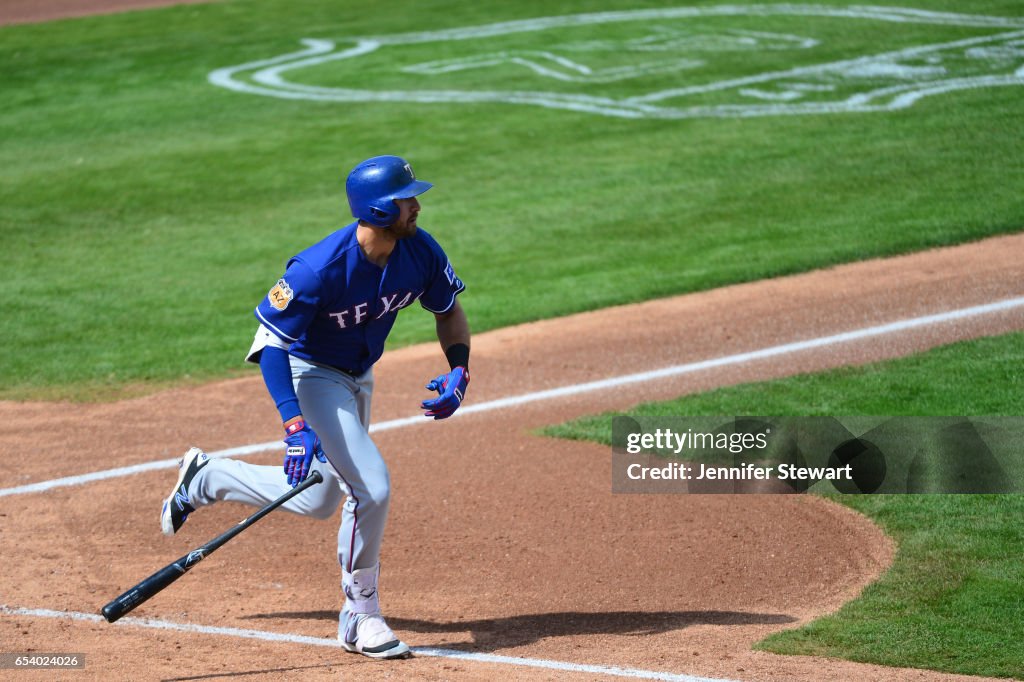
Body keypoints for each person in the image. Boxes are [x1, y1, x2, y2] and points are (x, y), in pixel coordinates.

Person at [159, 155, 471, 659]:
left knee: (322, 497)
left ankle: (206, 477)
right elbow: (269, 345)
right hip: (311, 375)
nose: (416, 206)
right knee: (371, 488)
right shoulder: (316, 269)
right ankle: (360, 616)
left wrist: (460, 368)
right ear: (376, 210)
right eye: (406, 199)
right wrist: (294, 423)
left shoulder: (420, 252)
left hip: (358, 376)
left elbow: (448, 311)